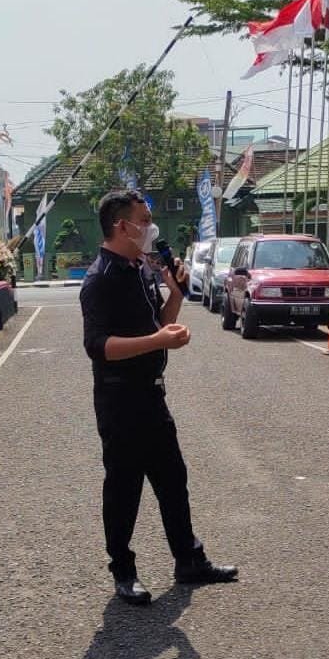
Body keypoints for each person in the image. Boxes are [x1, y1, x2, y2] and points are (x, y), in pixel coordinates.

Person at [79, 189, 237, 606]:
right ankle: (123, 571)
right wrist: (157, 341)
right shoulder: (100, 279)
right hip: (119, 400)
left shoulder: (141, 269)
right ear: (122, 226)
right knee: (124, 488)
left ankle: (189, 560)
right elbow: (98, 346)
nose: (151, 228)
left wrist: (177, 294)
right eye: (144, 220)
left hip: (151, 394)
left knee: (173, 479)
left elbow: (158, 325)